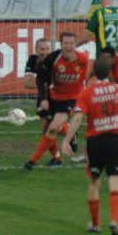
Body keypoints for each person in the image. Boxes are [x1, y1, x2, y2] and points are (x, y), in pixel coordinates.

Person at [61, 56, 118, 235]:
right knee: (114, 180)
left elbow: (77, 118)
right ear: (110, 72)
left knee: (94, 181)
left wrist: (66, 141)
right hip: (115, 140)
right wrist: (117, 121)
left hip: (95, 141)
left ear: (94, 73)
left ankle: (95, 223)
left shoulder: (87, 93)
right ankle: (115, 221)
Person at [25, 31, 90, 171]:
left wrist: (85, 96)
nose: (69, 46)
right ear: (61, 44)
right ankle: (71, 137)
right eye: (66, 43)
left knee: (53, 128)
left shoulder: (83, 59)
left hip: (71, 100)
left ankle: (32, 161)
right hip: (53, 98)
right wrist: (43, 98)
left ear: (75, 44)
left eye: (72, 43)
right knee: (47, 128)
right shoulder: (53, 58)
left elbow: (86, 79)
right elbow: (41, 77)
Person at [24, 37, 66, 166]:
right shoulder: (33, 60)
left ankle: (70, 132)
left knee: (54, 128)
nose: (45, 52)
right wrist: (43, 86)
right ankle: (57, 158)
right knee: (45, 129)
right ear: (36, 50)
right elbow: (26, 83)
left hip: (57, 98)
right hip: (43, 97)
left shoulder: (57, 61)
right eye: (42, 49)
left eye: (47, 49)